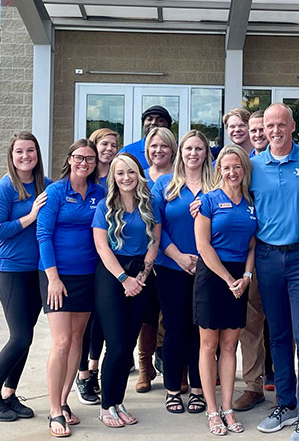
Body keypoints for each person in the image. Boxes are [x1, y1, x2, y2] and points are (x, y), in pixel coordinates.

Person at [251, 103, 299, 441]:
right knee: (278, 335)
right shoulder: (253, 166)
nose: (276, 130)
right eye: (270, 125)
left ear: (293, 126)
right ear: (263, 130)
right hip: (267, 258)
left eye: (282, 124)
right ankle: (285, 402)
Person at [36, 139, 106, 438]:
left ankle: (64, 402)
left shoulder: (100, 193)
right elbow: (43, 235)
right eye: (80, 157)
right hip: (57, 276)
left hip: (87, 275)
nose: (85, 163)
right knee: (62, 342)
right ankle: (53, 409)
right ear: (70, 159)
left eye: (90, 159)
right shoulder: (55, 191)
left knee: (78, 339)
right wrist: (53, 278)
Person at [0, 132, 51, 423]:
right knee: (19, 336)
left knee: (27, 336)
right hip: (11, 270)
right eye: (19, 152)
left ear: (37, 154)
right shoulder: (4, 188)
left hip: (38, 271)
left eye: (30, 151)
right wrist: (30, 217)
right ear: (11, 157)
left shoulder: (45, 186)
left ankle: (10, 394)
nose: (26, 156)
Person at [193, 145, 259, 435]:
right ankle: (212, 410)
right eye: (226, 167)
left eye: (237, 167)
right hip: (212, 276)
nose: (232, 172)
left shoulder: (251, 201)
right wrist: (226, 278)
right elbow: (203, 245)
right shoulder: (207, 201)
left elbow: (252, 243)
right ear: (219, 169)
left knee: (230, 345)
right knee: (209, 345)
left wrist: (245, 276)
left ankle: (228, 408)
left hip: (239, 279)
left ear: (244, 170)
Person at [92, 153, 160, 428]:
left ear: (138, 174)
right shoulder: (105, 206)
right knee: (117, 345)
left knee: (129, 343)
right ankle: (106, 405)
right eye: (120, 173)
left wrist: (142, 275)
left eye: (131, 172)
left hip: (141, 275)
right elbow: (101, 246)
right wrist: (124, 279)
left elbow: (154, 240)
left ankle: (118, 402)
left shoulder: (150, 203)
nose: (126, 178)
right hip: (112, 276)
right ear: (113, 177)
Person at [152, 130, 213, 415]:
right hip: (171, 268)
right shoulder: (165, 185)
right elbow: (154, 226)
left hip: (208, 269)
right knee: (175, 330)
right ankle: (173, 389)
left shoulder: (216, 185)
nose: (193, 153)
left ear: (205, 153)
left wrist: (203, 260)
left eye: (199, 148)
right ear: (181, 153)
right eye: (188, 148)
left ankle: (199, 389)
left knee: (201, 331)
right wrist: (177, 256)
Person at [232, 107, 272, 411]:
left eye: (262, 129)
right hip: (248, 254)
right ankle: (253, 385)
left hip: (285, 254)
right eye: (255, 129)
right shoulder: (245, 165)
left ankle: (285, 382)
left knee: (285, 325)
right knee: (250, 323)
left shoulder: (289, 162)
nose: (259, 134)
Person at [76, 127, 119, 406]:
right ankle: (83, 375)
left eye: (114, 144)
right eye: (104, 144)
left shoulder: (117, 175)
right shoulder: (84, 178)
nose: (109, 149)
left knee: (102, 320)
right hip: (83, 259)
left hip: (110, 261)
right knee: (84, 322)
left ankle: (95, 368)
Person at [136, 126, 177, 394]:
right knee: (146, 315)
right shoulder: (140, 178)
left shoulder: (179, 178)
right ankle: (144, 367)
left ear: (173, 150)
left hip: (172, 258)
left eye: (163, 145)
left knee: (170, 316)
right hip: (142, 257)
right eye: (153, 146)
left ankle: (175, 367)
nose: (158, 150)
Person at [119, 105, 173, 169]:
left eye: (160, 120)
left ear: (168, 125)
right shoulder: (128, 151)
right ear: (143, 124)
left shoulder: (179, 152)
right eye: (150, 119)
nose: (153, 122)